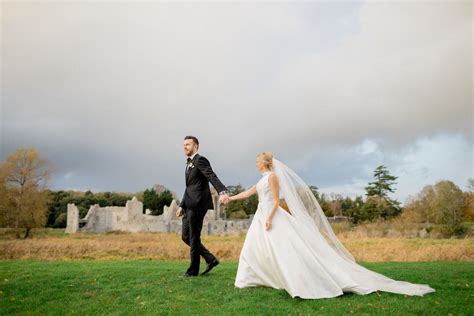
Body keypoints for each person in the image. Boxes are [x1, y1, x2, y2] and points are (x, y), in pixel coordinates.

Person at [227, 151, 435, 299]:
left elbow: (275, 199)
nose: (255, 163)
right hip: (260, 215)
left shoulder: (272, 177)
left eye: (257, 161)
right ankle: (250, 278)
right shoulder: (261, 179)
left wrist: (270, 218)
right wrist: (229, 198)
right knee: (255, 247)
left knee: (284, 249)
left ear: (265, 162)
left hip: (270, 215)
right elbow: (247, 193)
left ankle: (295, 279)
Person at [176, 135, 230, 277]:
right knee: (185, 236)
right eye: (184, 145)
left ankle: (193, 271)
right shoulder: (188, 164)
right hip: (188, 205)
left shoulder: (200, 160)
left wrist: (222, 191)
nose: (185, 147)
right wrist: (181, 205)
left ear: (196, 146)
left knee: (194, 238)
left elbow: (211, 176)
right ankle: (210, 259)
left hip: (198, 204)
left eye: (188, 144)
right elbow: (189, 187)